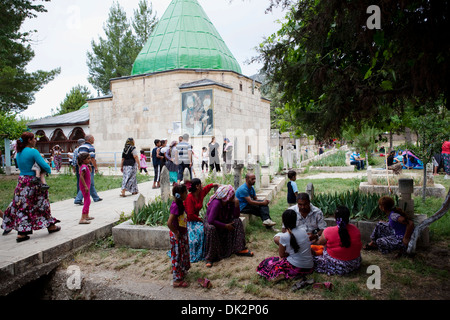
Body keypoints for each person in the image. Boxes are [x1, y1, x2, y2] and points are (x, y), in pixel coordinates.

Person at [1, 132, 61, 242]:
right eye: (34, 139)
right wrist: (47, 170)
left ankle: (22, 233)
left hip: (22, 180)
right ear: (29, 140)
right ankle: (51, 226)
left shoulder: (18, 152)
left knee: (23, 205)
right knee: (41, 203)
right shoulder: (33, 152)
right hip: (33, 182)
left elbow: (19, 166)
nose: (35, 140)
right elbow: (44, 165)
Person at [257, 209, 314, 282]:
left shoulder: (284, 236)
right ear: (296, 220)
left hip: (296, 268)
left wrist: (290, 253)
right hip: (309, 267)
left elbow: (282, 255)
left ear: (283, 221)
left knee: (268, 262)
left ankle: (281, 274)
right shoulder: (303, 231)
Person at [204, 185, 254, 267]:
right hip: (213, 222)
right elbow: (211, 220)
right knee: (211, 229)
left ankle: (240, 248)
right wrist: (225, 226)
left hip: (224, 220)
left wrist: (237, 206)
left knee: (237, 222)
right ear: (227, 196)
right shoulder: (216, 203)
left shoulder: (229, 202)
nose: (234, 196)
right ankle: (210, 257)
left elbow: (236, 216)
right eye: (232, 195)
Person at [312, 206, 362, 275]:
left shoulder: (328, 231)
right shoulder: (355, 229)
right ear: (348, 217)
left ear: (335, 217)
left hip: (338, 265)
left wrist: (313, 239)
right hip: (354, 263)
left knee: (311, 258)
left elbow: (319, 243)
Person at [184, 178, 219, 262]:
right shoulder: (189, 197)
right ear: (197, 186)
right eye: (201, 184)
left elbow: (206, 189)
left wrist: (213, 184)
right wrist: (200, 220)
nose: (202, 185)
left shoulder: (200, 194)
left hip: (197, 219)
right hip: (190, 221)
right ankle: (199, 253)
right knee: (200, 232)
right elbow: (190, 214)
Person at [167, 184, 190, 288]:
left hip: (182, 233)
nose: (187, 193)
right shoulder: (175, 206)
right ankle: (176, 280)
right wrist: (176, 232)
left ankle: (180, 271)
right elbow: (169, 223)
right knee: (177, 255)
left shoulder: (180, 203)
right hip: (178, 235)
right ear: (181, 194)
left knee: (181, 254)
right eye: (186, 192)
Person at [74, 135, 102, 204]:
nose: (94, 140)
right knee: (88, 182)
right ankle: (78, 199)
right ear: (89, 140)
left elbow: (78, 158)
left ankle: (96, 197)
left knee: (90, 182)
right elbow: (92, 158)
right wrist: (95, 167)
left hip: (82, 166)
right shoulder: (91, 147)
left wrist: (79, 167)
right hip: (89, 167)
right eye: (93, 138)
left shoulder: (80, 147)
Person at [78, 153, 94, 224]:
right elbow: (81, 176)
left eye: (90, 158)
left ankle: (86, 215)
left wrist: (90, 169)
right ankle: (82, 218)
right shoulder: (83, 167)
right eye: (88, 158)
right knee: (87, 201)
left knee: (88, 200)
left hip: (87, 185)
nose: (90, 160)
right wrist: (85, 186)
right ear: (83, 160)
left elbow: (88, 174)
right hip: (85, 186)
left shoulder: (85, 166)